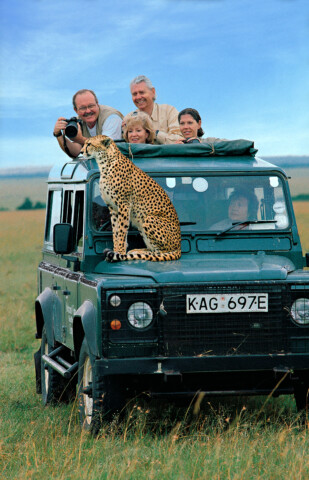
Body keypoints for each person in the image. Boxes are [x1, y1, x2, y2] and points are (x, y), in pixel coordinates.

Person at [53, 89, 123, 158]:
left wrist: (80, 139)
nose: (88, 111)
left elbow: (107, 148)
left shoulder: (111, 118)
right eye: (83, 108)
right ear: (76, 110)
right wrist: (59, 135)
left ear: (97, 104)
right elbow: (75, 152)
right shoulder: (79, 122)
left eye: (91, 106)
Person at [123, 75, 183, 144]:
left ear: (153, 92)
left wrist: (154, 133)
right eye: (134, 94)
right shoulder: (129, 118)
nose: (138, 97)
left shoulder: (169, 111)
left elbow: (179, 140)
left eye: (142, 92)